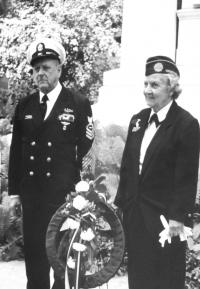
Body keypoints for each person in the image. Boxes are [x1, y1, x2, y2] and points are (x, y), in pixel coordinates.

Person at [8, 38, 94, 289]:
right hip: (32, 194)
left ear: (59, 68)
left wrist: (85, 192)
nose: (40, 73)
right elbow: (16, 152)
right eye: (36, 69)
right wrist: (14, 193)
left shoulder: (77, 103)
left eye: (46, 67)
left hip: (63, 197)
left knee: (61, 259)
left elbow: (88, 151)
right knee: (34, 256)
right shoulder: (25, 105)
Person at [114, 55, 200, 289]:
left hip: (165, 221)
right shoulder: (138, 120)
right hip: (136, 216)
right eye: (146, 84)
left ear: (171, 88)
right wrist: (120, 206)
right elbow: (127, 167)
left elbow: (187, 176)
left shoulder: (187, 124)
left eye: (155, 85)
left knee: (166, 280)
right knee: (139, 278)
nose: (148, 90)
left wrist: (178, 217)